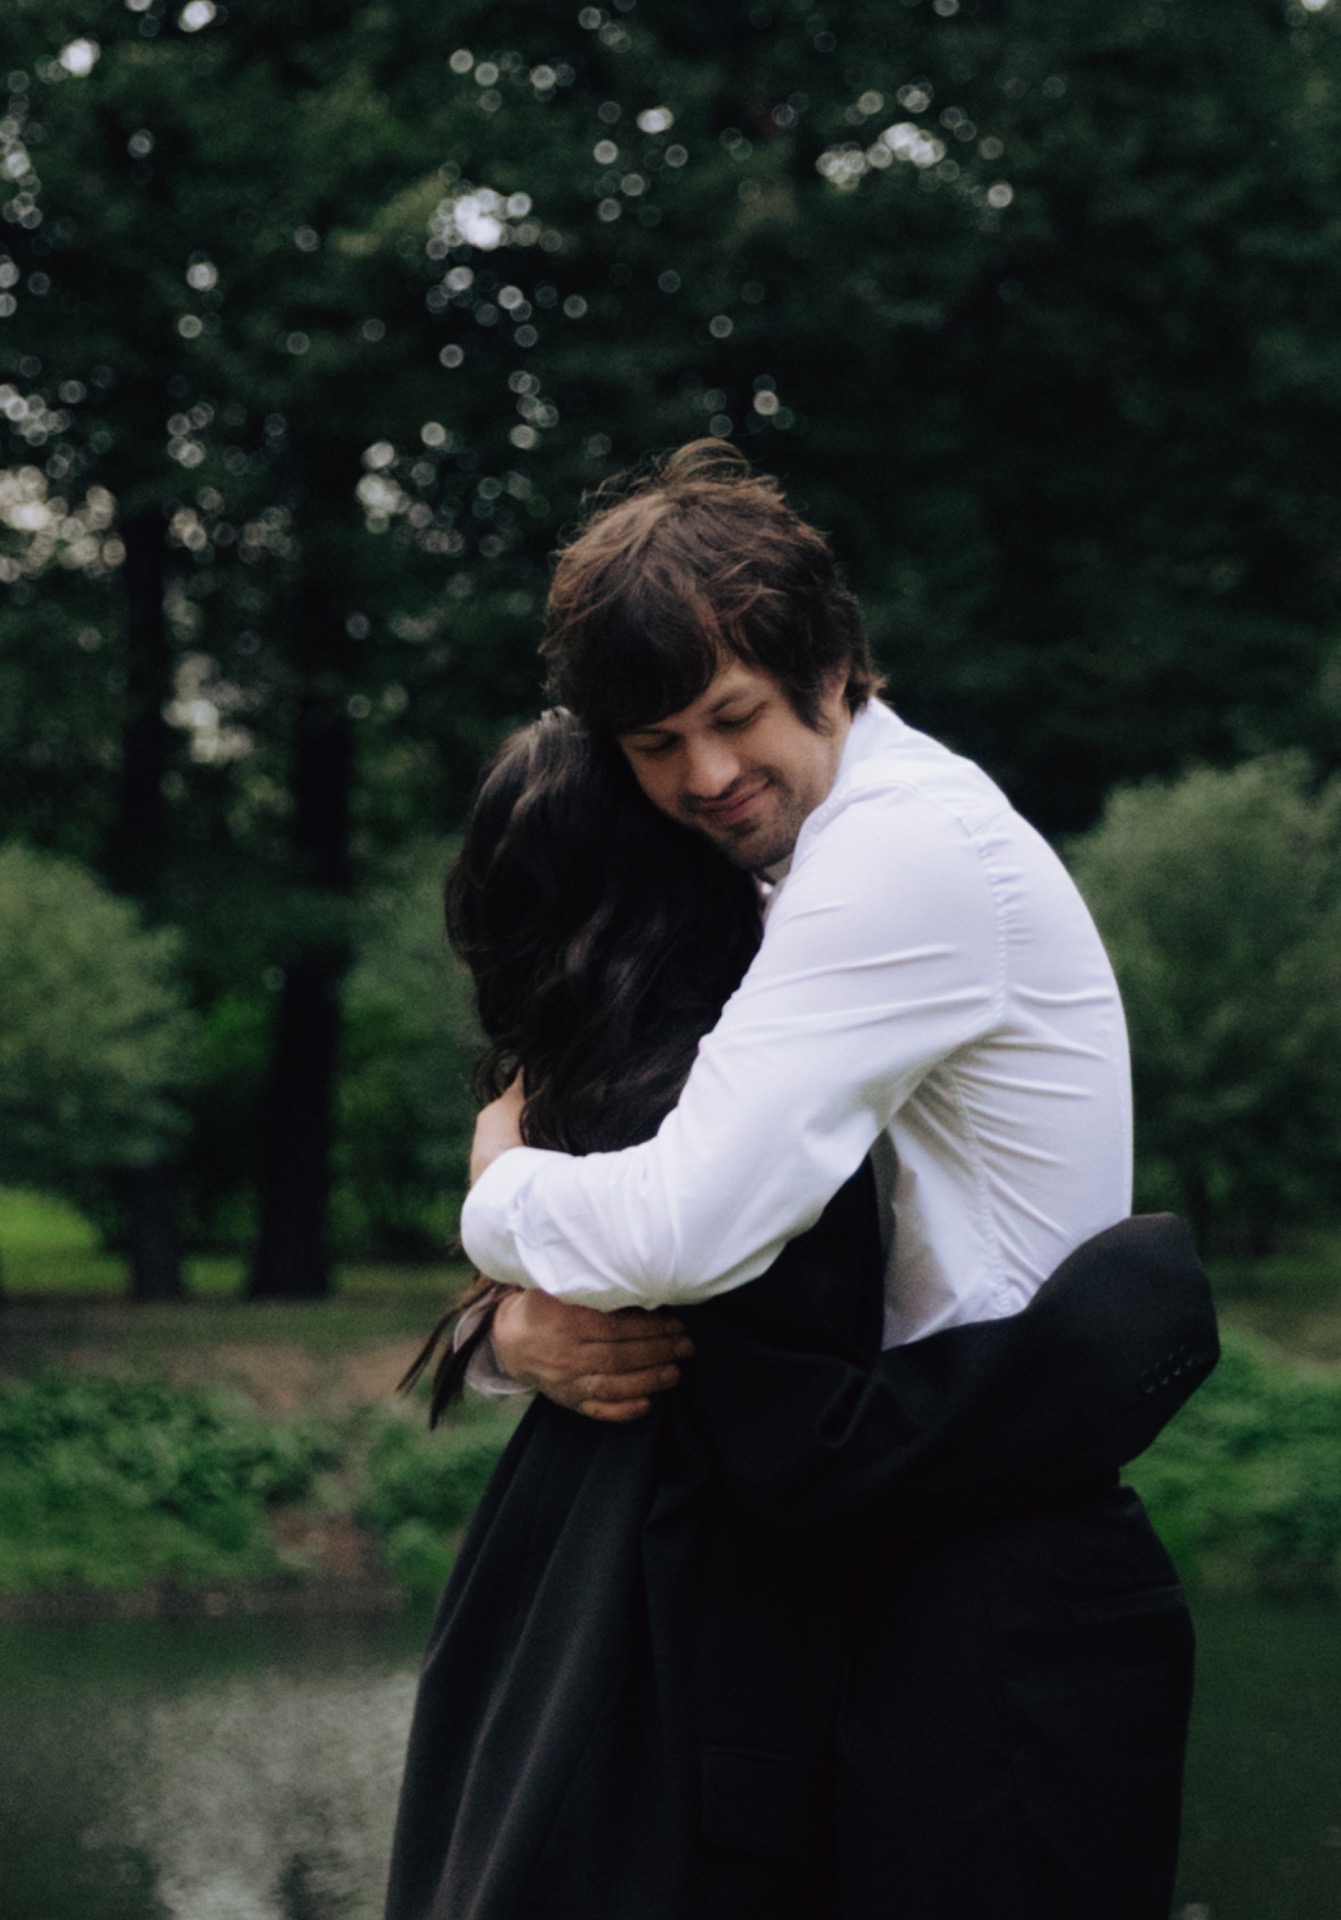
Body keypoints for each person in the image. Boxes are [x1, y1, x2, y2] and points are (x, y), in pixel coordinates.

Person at [445, 442, 1211, 1915]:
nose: (704, 776)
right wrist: (512, 1329)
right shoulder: (790, 867)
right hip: (889, 1568)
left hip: (1002, 1595)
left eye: (732, 717)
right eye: (656, 744)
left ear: (835, 665)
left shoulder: (899, 854)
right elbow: (668, 1164)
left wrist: (494, 1197)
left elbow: (683, 1224)